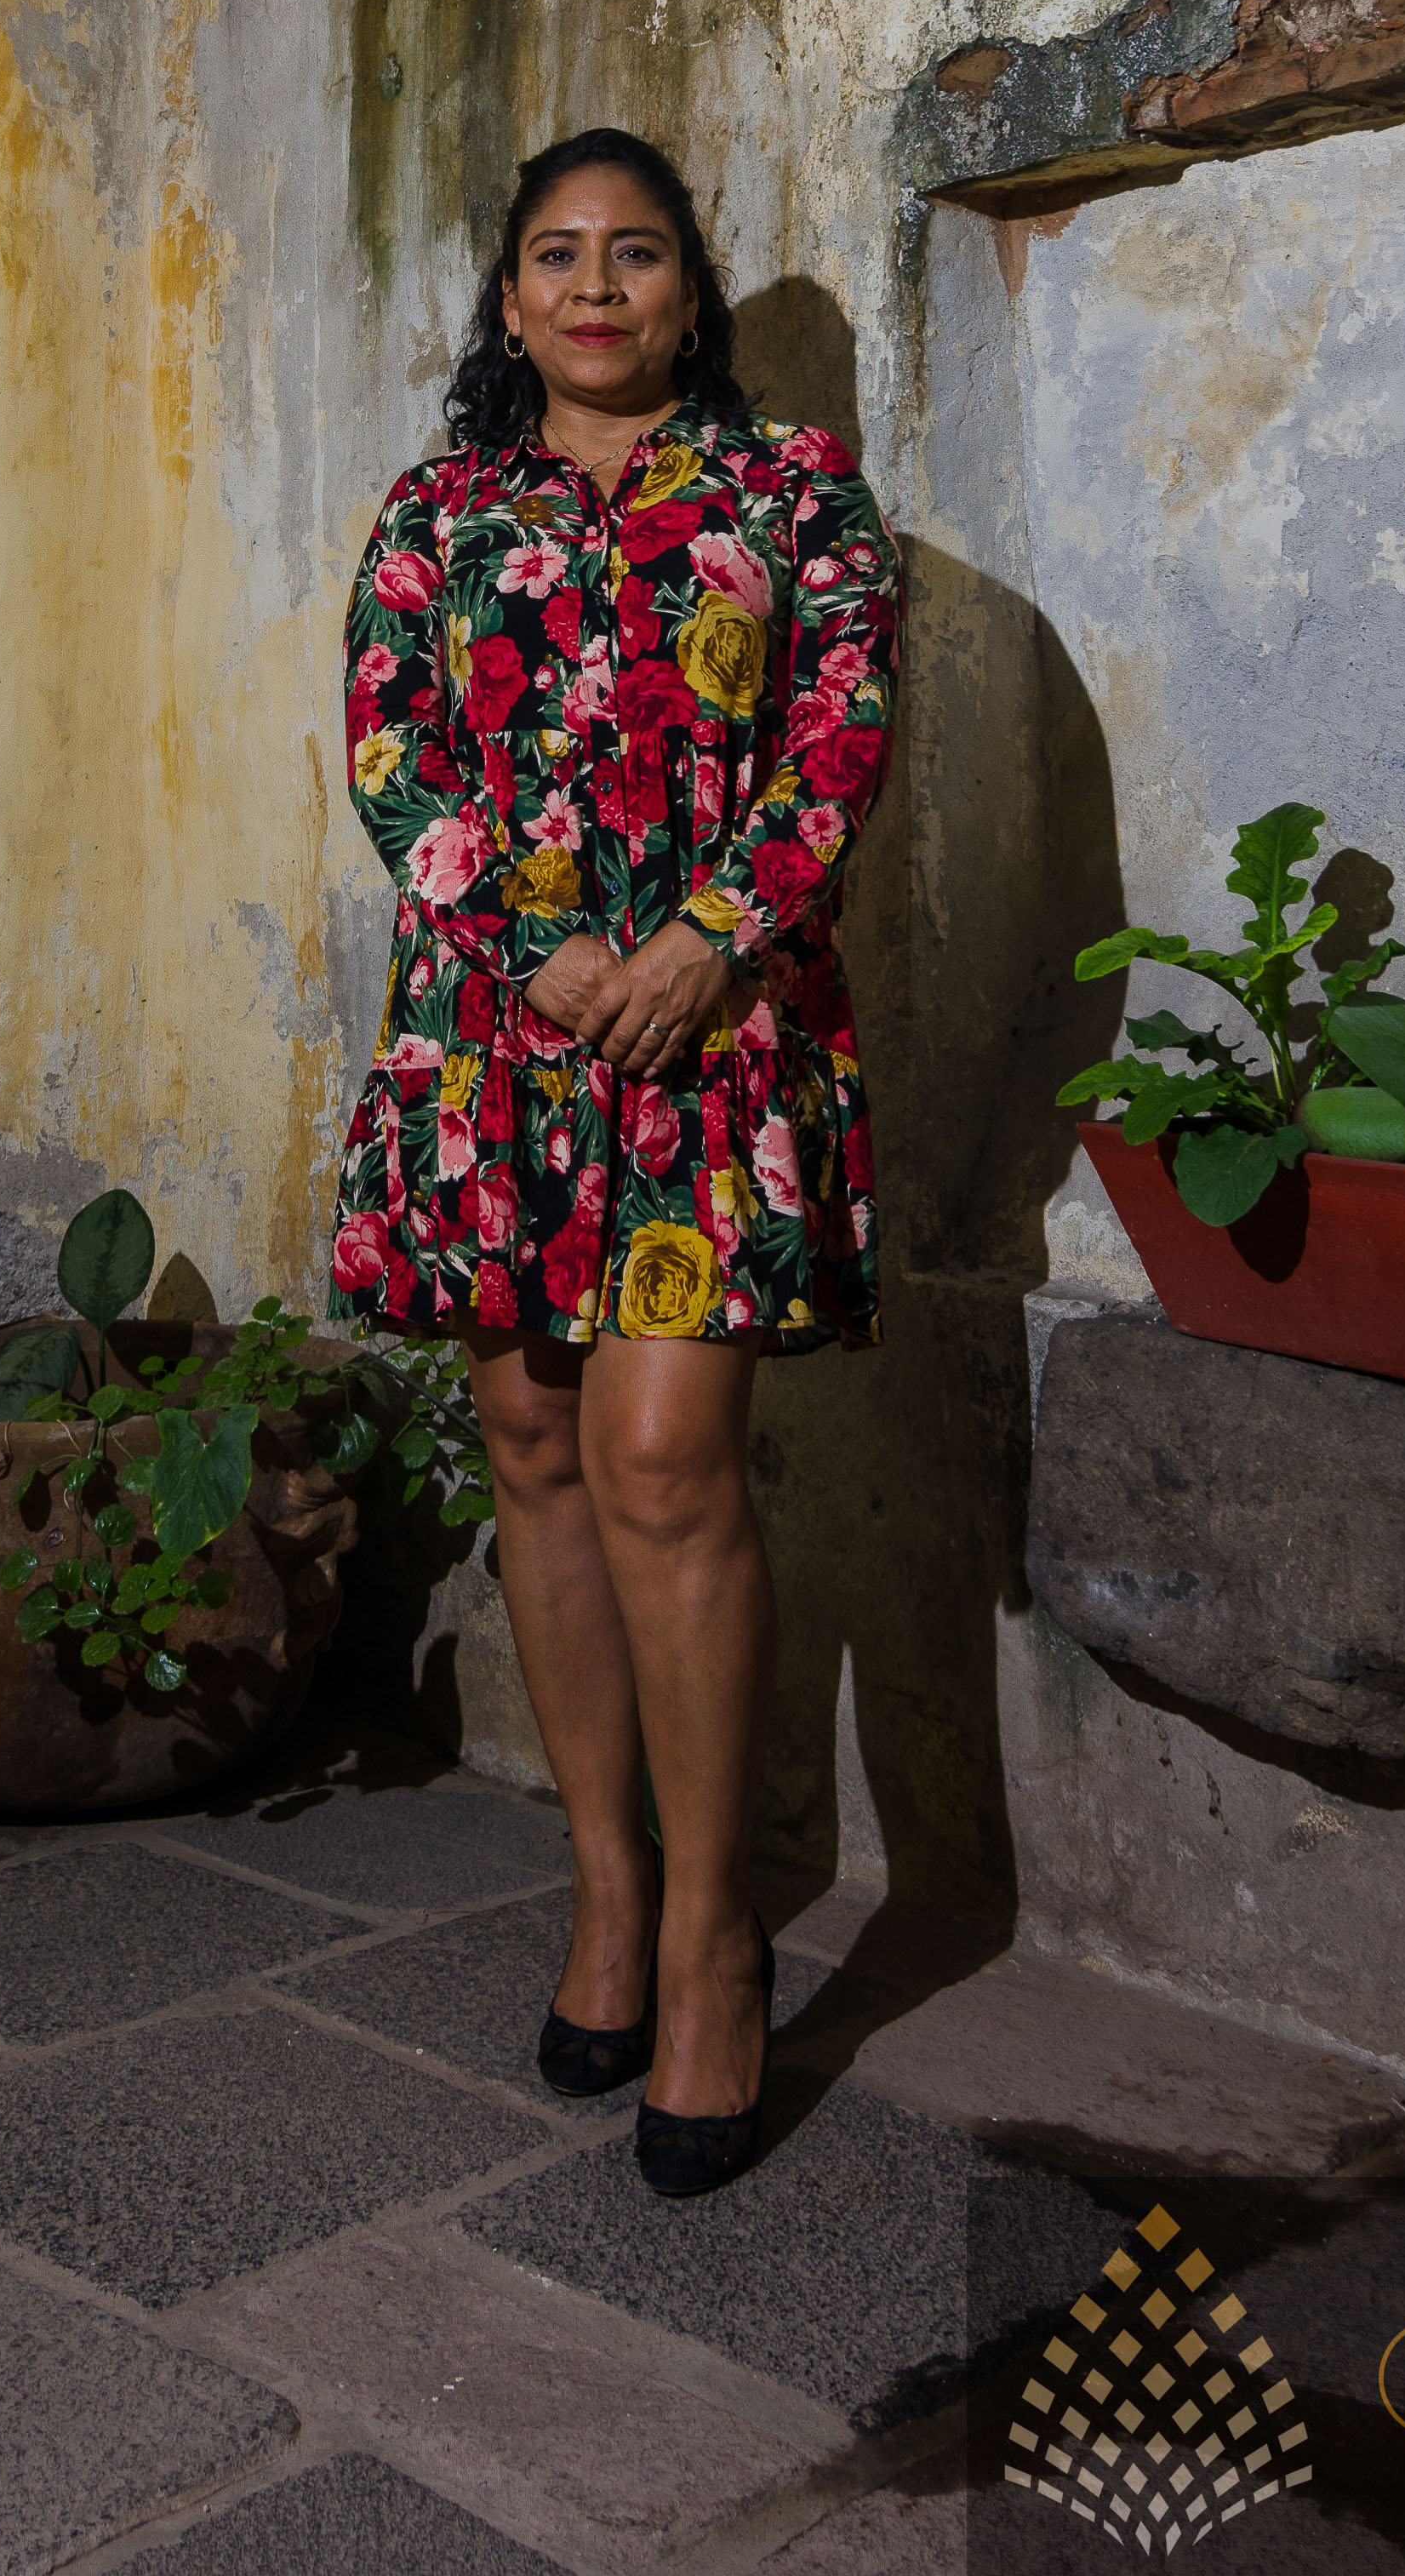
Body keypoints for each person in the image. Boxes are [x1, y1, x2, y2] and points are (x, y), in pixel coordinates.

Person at [328, 129, 902, 2196]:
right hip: (500, 1036)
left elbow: (839, 733)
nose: (594, 287)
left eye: (635, 251)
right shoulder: (438, 512)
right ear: (510, 299)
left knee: (666, 1460)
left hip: (713, 1037)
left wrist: (711, 939)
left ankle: (715, 1938)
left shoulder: (794, 491)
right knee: (536, 1442)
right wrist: (540, 951)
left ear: (689, 291)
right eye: (557, 255)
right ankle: (604, 1884)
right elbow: (395, 754)